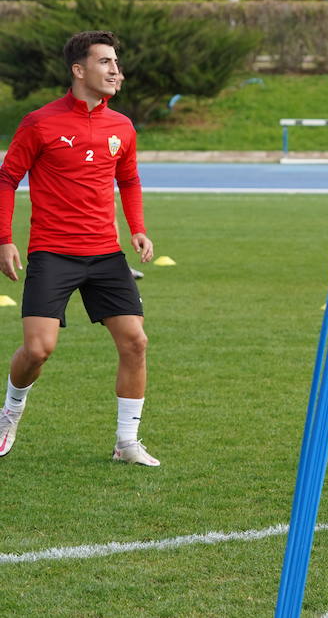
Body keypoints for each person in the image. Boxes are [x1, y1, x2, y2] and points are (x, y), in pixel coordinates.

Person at [0, 31, 160, 466]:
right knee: (38, 350)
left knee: (135, 342)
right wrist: (5, 239)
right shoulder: (40, 122)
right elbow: (7, 178)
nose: (116, 72)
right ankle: (9, 413)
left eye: (117, 64)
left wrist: (138, 228)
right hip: (53, 253)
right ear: (78, 69)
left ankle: (127, 442)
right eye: (106, 62)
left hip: (106, 254)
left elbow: (128, 179)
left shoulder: (122, 126)